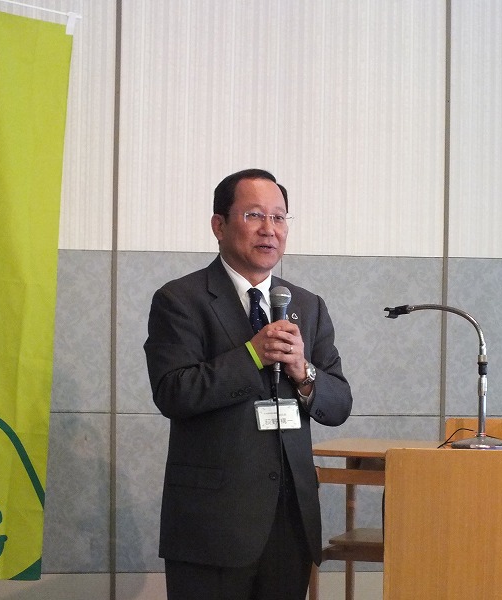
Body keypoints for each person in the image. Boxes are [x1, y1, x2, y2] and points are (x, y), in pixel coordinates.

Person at [144, 168, 353, 600]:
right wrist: (252, 355)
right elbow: (173, 392)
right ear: (219, 225)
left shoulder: (307, 305)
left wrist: (303, 371)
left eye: (279, 218)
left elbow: (338, 405)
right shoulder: (180, 300)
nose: (269, 229)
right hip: (213, 523)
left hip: (289, 521)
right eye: (254, 215)